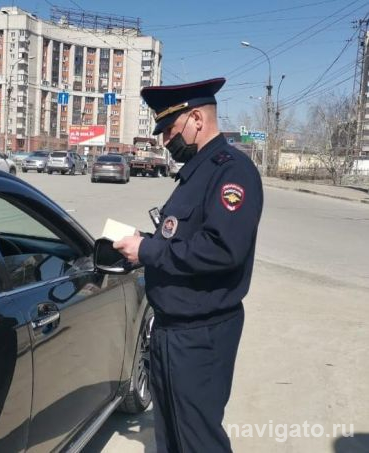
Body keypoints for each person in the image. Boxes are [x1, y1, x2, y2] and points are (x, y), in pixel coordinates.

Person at [113, 78, 263, 453]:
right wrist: (147, 241)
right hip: (171, 330)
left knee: (198, 439)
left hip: (201, 335)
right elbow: (182, 235)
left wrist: (148, 252)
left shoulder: (231, 172)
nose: (165, 140)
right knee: (171, 436)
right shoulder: (197, 171)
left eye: (169, 129)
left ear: (197, 118)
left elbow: (221, 249)